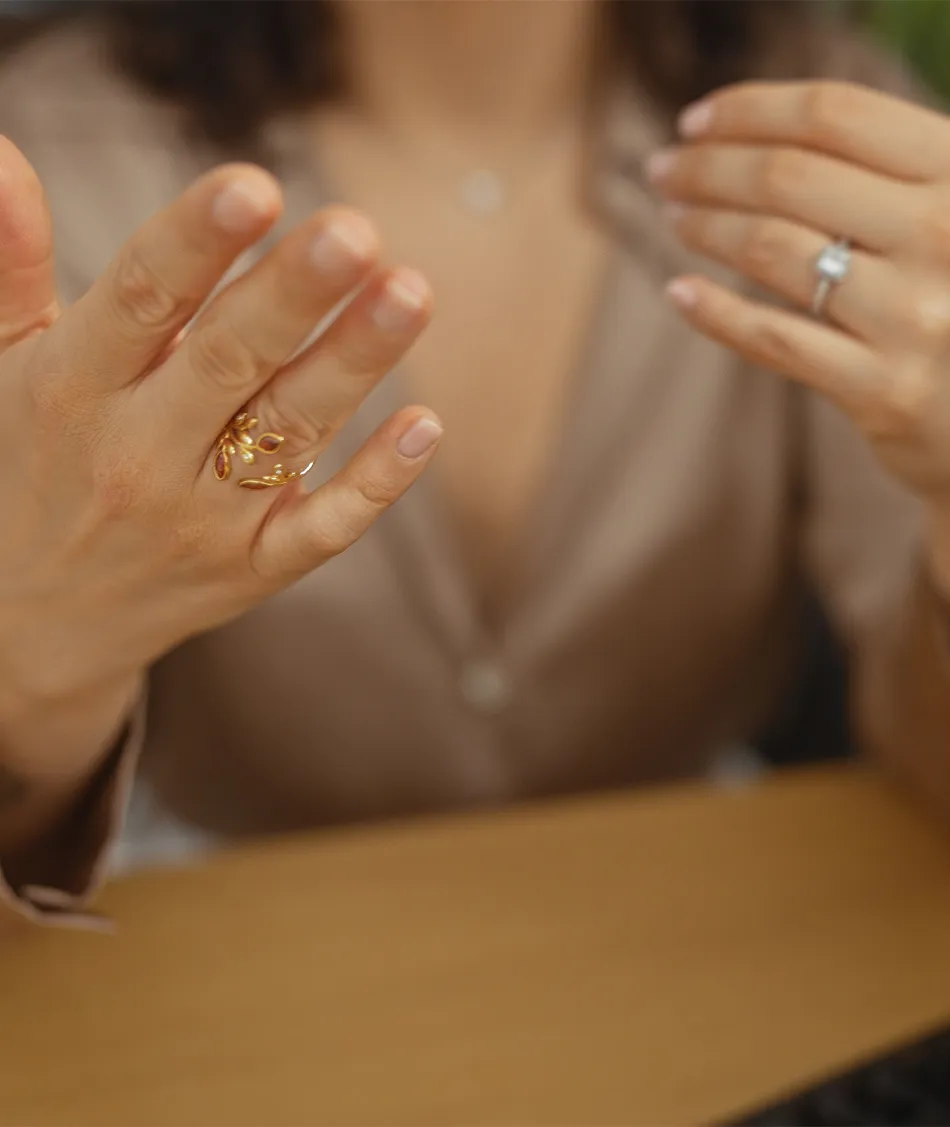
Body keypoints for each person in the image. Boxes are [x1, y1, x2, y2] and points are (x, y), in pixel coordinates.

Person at [0, 0, 948, 931]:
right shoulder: (58, 151)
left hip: (697, 945)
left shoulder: (836, 139)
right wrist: (39, 683)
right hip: (215, 955)